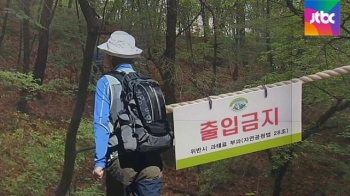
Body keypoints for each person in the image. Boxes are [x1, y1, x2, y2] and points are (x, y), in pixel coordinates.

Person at [92, 31, 163, 196]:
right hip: (152, 161)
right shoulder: (149, 83)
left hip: (122, 161)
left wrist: (99, 163)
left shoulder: (106, 82)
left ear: (110, 58)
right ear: (132, 58)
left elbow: (101, 123)